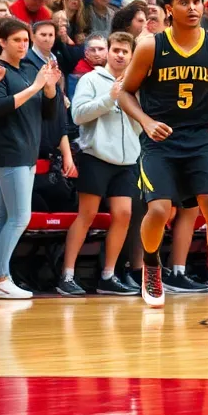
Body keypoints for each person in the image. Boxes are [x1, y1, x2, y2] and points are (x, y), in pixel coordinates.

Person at [117, 0, 208, 316]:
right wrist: (145, 121)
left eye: (197, 1)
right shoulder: (150, 46)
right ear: (168, 9)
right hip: (161, 140)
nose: (192, 7)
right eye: (184, 2)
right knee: (160, 210)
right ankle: (151, 265)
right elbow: (125, 94)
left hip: (200, 138)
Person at [59, 31, 142, 297]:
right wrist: (110, 99)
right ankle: (67, 275)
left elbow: (141, 123)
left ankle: (108, 275)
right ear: (107, 51)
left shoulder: (137, 85)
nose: (119, 55)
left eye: (124, 51)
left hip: (126, 159)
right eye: (115, 49)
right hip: (95, 156)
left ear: (131, 55)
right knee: (87, 215)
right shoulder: (91, 79)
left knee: (124, 215)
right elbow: (79, 114)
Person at [0, 18, 60, 299]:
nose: (23, 45)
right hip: (8, 150)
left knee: (3, 216)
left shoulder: (26, 70)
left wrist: (49, 88)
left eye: (26, 40)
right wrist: (37, 86)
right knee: (19, 217)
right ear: (1, 42)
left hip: (26, 149)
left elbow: (48, 114)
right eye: (17, 40)